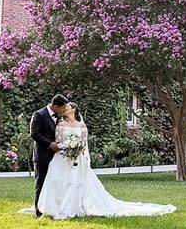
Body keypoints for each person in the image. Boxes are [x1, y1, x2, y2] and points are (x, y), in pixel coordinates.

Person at [37, 101, 176, 219]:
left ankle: (73, 208)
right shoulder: (61, 125)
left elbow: (84, 143)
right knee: (58, 181)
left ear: (74, 110)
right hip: (62, 157)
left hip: (78, 159)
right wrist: (66, 148)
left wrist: (78, 150)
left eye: (67, 107)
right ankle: (56, 207)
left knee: (76, 183)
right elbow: (58, 141)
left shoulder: (82, 126)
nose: (65, 109)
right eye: (64, 108)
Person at [31, 94, 70, 217]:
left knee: (53, 183)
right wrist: (50, 144)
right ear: (55, 106)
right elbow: (34, 134)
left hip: (56, 156)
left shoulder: (59, 117)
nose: (64, 111)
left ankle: (50, 207)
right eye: (62, 108)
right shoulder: (39, 114)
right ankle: (38, 210)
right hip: (42, 155)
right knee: (41, 182)